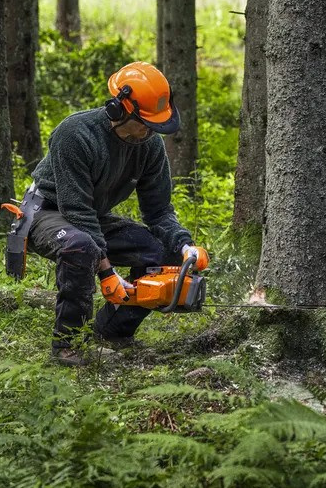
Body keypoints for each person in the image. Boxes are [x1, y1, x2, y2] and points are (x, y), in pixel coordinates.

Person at [20, 61, 204, 366]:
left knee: (163, 252)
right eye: (144, 123)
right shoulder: (75, 134)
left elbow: (158, 211)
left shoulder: (150, 147)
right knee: (81, 246)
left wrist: (184, 246)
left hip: (89, 216)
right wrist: (107, 273)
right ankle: (67, 347)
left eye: (154, 126)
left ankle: (111, 333)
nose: (148, 132)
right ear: (119, 110)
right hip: (46, 211)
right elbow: (76, 211)